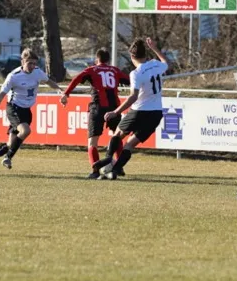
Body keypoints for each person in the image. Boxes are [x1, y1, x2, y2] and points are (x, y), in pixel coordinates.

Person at [92, 37, 168, 180]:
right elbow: (165, 62)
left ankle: (108, 158)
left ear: (132, 56)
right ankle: (114, 171)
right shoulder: (156, 64)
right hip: (156, 113)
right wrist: (155, 48)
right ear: (146, 54)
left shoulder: (136, 73)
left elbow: (133, 96)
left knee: (117, 135)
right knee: (130, 144)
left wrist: (115, 112)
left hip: (139, 111)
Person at [0, 49, 61, 170]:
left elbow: (49, 82)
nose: (32, 66)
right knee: (26, 131)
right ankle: (8, 157)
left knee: (10, 143)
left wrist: (60, 90)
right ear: (23, 62)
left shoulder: (38, 72)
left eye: (34, 63)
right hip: (14, 108)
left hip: (26, 110)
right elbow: (2, 94)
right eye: (29, 63)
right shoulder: (13, 76)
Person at [61, 48, 127, 175]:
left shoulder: (92, 70)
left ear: (97, 59)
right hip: (114, 108)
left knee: (92, 141)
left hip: (97, 107)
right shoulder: (115, 70)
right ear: (108, 60)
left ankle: (95, 171)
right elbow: (130, 80)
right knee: (117, 137)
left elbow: (76, 79)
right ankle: (119, 167)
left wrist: (66, 94)